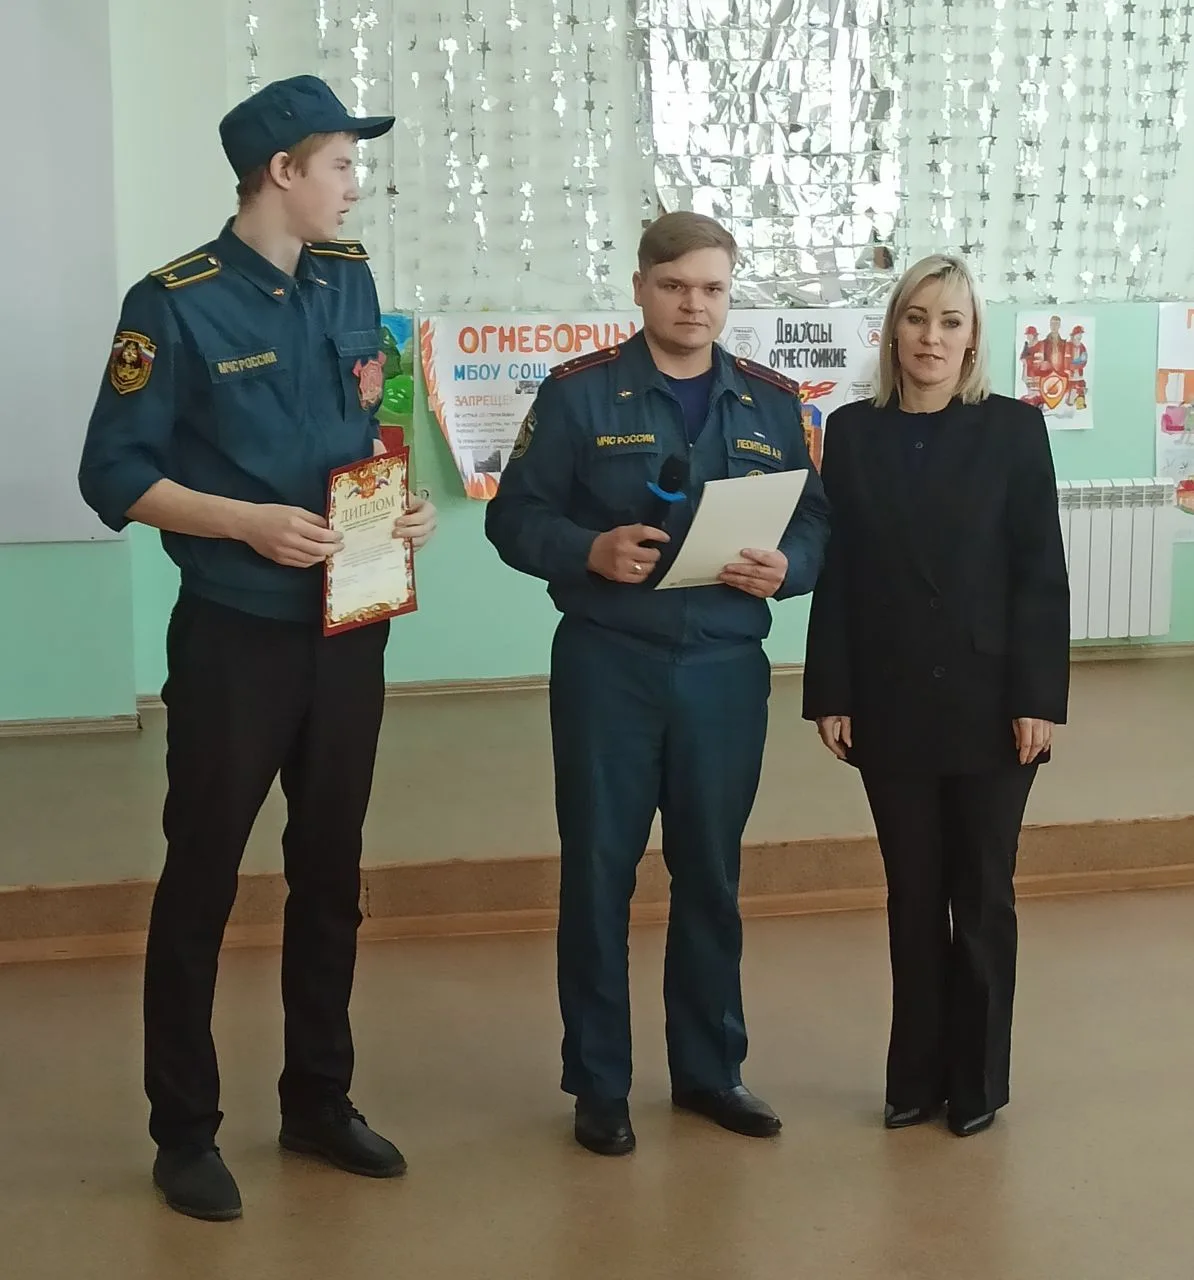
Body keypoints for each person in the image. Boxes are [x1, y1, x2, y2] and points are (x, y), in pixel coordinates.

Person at [78, 75, 437, 1221]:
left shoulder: (348, 276)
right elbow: (111, 473)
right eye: (340, 163)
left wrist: (402, 502)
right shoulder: (173, 304)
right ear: (281, 172)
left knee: (331, 869)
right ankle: (184, 1129)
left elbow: (364, 419)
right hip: (238, 633)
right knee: (204, 876)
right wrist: (242, 521)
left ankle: (318, 1099)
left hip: (351, 620)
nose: (354, 184)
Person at [485, 212, 831, 1156]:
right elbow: (514, 519)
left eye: (712, 289)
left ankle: (711, 1070)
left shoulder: (773, 403)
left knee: (711, 873)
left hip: (724, 668)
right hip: (610, 664)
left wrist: (789, 568)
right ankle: (600, 1084)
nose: (693, 305)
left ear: (730, 293)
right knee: (599, 871)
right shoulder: (578, 395)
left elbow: (817, 523)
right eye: (675, 286)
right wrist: (586, 550)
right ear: (639, 287)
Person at [801, 254, 1069, 1138]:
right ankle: (914, 1077)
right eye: (916, 318)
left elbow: (1039, 573)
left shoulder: (1013, 429)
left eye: (950, 321)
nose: (931, 337)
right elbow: (839, 573)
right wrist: (831, 689)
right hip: (891, 702)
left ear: (973, 337)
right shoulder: (853, 432)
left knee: (982, 895)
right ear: (893, 331)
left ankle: (978, 1082)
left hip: (993, 705)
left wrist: (1038, 697)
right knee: (912, 895)